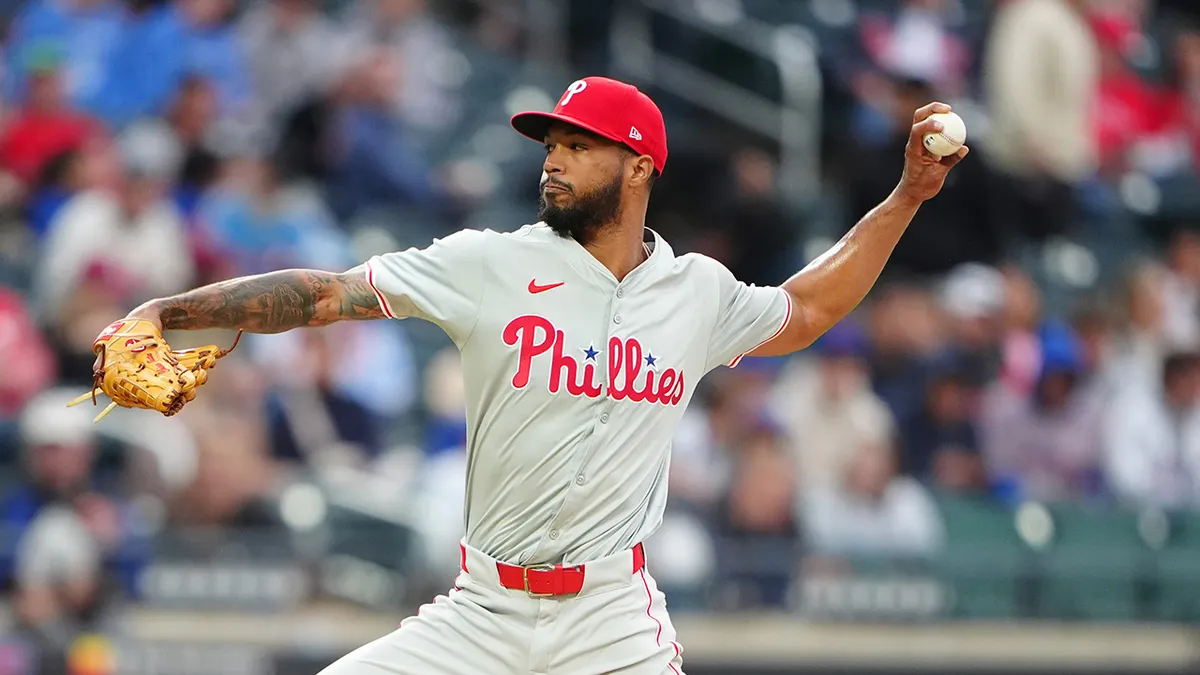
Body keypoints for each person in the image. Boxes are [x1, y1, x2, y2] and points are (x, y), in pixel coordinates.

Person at [103, 76, 967, 674]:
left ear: (639, 167)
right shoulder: (488, 262)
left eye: (578, 145)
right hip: (481, 608)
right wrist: (169, 312)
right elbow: (327, 294)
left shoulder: (694, 292)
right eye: (550, 141)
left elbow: (808, 310)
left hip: (609, 618)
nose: (552, 158)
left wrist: (906, 199)